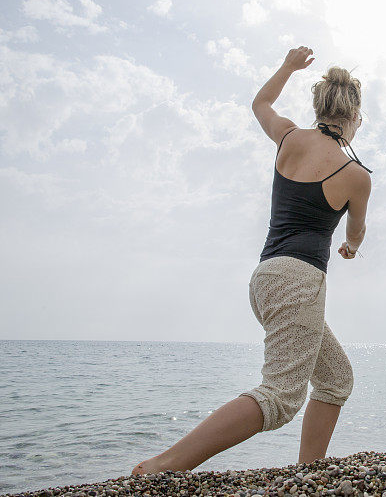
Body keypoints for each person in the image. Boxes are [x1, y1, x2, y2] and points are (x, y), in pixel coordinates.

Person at [131, 46, 372, 475]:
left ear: (320, 107)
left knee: (336, 379)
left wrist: (287, 67)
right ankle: (166, 465)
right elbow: (355, 233)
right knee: (279, 397)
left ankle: (307, 472)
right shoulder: (355, 174)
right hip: (300, 281)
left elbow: (260, 103)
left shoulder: (289, 137)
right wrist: (351, 248)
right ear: (354, 117)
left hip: (264, 278)